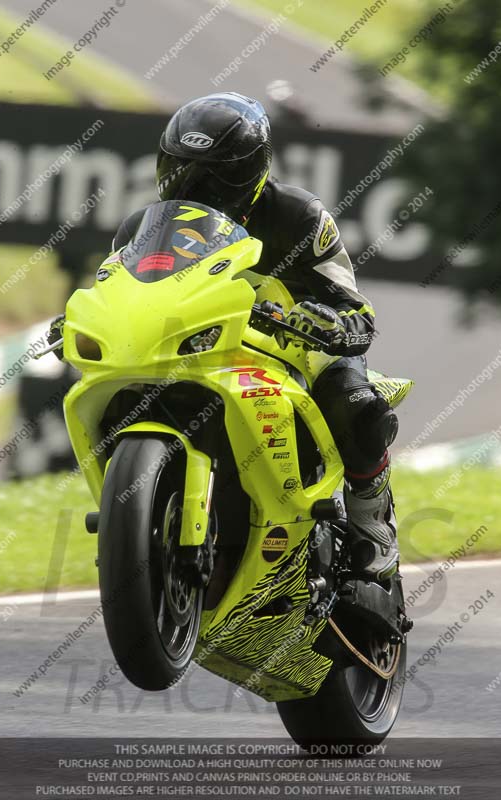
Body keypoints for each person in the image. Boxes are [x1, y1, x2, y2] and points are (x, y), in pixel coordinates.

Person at [112, 92, 400, 582]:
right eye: (182, 169)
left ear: (252, 169)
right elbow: (120, 291)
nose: (195, 184)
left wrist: (331, 322)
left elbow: (354, 306)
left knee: (356, 404)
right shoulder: (142, 228)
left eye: (215, 173)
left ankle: (373, 520)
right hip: (203, 345)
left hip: (296, 345)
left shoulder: (298, 216)